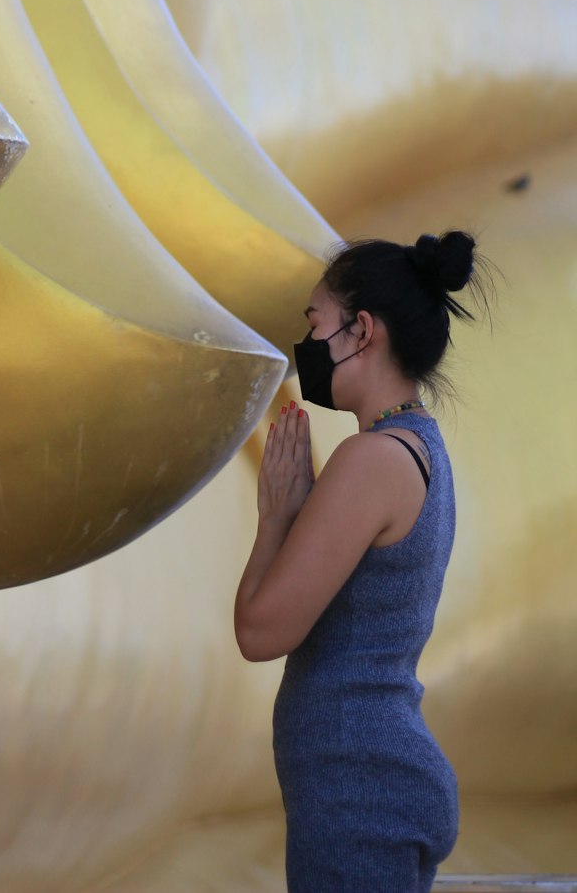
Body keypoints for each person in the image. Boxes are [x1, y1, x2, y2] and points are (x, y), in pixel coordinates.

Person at [233, 229, 494, 893]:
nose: (307, 347)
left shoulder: (372, 460)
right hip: (374, 780)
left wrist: (275, 518)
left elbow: (261, 632)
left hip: (359, 793)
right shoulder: (413, 446)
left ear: (361, 331)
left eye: (315, 323)